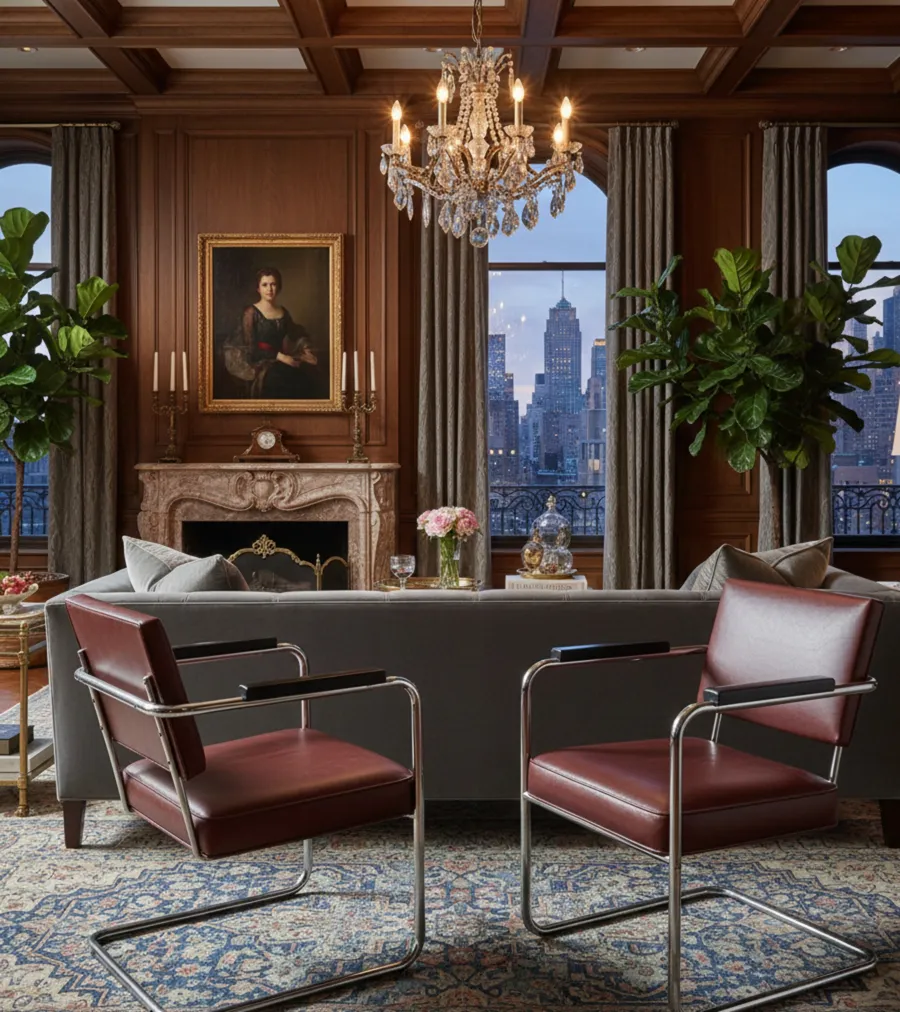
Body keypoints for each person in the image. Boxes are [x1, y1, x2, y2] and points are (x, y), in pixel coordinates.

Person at [224, 267, 322, 399]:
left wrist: (306, 348)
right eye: (265, 285)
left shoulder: (283, 311)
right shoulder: (250, 313)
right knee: (279, 380)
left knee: (306, 377)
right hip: (260, 362)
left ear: (278, 287)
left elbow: (295, 333)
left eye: (273, 284)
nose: (269, 289)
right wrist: (281, 357)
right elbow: (251, 349)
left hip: (282, 361)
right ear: (258, 288)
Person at [261, 330, 329, 400]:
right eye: (307, 348)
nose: (310, 350)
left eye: (310, 347)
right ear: (301, 349)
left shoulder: (315, 359)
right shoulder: (294, 360)